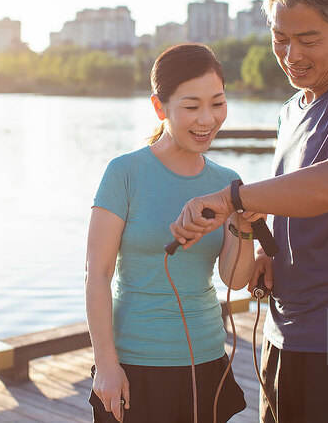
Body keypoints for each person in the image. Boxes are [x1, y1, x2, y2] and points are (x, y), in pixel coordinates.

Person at [169, 0, 328, 422]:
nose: (290, 53)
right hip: (283, 336)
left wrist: (234, 198)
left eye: (308, 39)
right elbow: (298, 200)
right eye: (280, 38)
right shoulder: (290, 111)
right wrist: (272, 255)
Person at [85, 43, 260, 423]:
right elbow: (96, 274)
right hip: (133, 364)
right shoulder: (124, 173)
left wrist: (244, 228)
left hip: (207, 358)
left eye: (217, 103)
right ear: (160, 108)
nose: (207, 119)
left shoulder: (227, 183)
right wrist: (106, 364)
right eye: (191, 106)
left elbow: (234, 277)